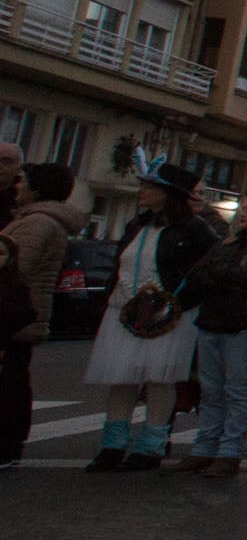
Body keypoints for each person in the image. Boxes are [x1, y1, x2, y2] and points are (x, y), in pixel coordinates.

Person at [83, 161, 215, 470]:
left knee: (160, 379)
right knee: (121, 378)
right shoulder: (137, 225)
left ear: (169, 194)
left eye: (149, 187)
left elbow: (208, 272)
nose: (142, 191)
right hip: (126, 311)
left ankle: (151, 445)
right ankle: (112, 445)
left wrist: (175, 303)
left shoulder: (196, 230)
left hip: (169, 316)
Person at [169, 189, 247, 477]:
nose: (243, 214)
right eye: (243, 208)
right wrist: (226, 271)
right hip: (212, 320)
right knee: (211, 391)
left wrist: (221, 272)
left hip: (245, 325)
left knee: (236, 390)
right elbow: (198, 273)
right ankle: (204, 448)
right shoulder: (228, 241)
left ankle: (229, 451)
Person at [0, 161, 84, 469]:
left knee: (9, 382)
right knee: (13, 379)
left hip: (12, 314)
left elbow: (13, 265)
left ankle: (6, 446)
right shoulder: (34, 219)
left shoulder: (38, 223)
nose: (17, 187)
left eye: (23, 182)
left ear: (37, 188)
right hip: (19, 313)